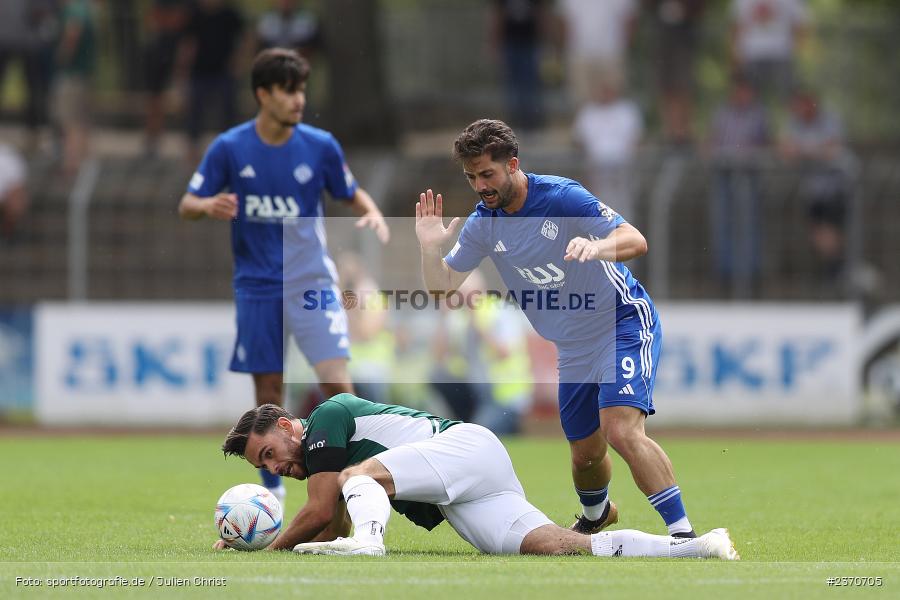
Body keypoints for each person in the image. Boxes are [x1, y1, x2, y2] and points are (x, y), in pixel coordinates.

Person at [415, 119, 696, 539]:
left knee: (619, 428)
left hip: (619, 321)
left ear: (512, 165)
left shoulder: (562, 198)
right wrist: (429, 248)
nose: (480, 186)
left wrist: (597, 246)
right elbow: (441, 289)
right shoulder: (483, 224)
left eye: (487, 174)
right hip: (573, 345)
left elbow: (634, 239)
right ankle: (597, 516)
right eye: (471, 177)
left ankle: (683, 535)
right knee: (584, 454)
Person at [179, 48, 389, 503]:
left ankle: (357, 480)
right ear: (263, 94)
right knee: (269, 391)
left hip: (312, 281)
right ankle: (271, 493)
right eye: (288, 91)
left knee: (337, 385)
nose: (298, 100)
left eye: (301, 90)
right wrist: (207, 206)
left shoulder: (319, 145)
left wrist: (372, 212)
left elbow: (350, 192)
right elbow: (187, 203)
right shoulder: (230, 148)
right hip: (257, 287)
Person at [217, 395, 739, 559]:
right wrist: (276, 540)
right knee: (556, 545)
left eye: (268, 453)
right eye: (263, 468)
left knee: (359, 477)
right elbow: (325, 528)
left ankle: (370, 545)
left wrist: (267, 550)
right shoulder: (322, 460)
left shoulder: (328, 416)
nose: (273, 468)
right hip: (465, 486)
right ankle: (697, 548)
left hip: (465, 448)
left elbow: (319, 509)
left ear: (288, 426)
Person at [707, 72, 771, 297]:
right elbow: (713, 142)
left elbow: (765, 145)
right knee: (723, 224)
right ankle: (725, 274)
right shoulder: (723, 114)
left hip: (749, 177)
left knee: (749, 226)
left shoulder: (759, 115)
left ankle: (750, 275)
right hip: (724, 176)